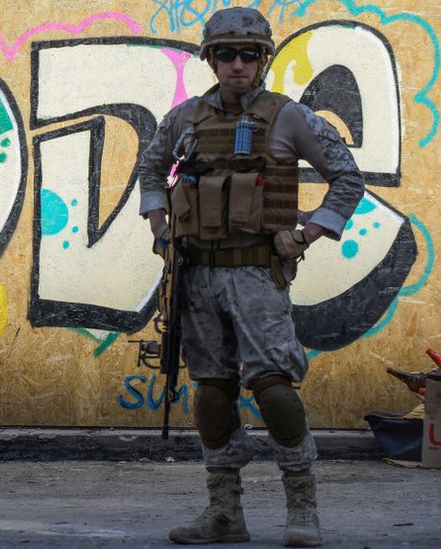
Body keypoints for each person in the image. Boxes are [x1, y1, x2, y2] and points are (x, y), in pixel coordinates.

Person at [136, 7, 365, 547]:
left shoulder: (289, 118)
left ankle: (302, 509)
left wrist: (308, 233)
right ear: (211, 59)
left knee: (273, 388)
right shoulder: (184, 118)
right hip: (196, 276)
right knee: (211, 393)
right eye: (225, 54)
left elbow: (347, 179)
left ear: (262, 59)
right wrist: (160, 228)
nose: (236, 64)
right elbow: (150, 170)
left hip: (257, 276)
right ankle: (224, 513)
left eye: (247, 54)